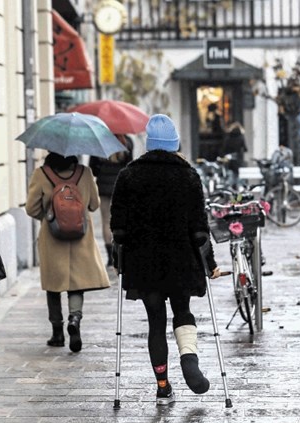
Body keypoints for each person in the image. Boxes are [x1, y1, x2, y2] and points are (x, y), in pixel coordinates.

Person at [110, 114, 222, 406]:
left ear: (149, 144)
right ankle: (189, 359)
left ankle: (162, 385)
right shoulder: (188, 176)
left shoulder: (129, 175)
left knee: (155, 321)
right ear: (174, 144)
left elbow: (118, 228)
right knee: (182, 311)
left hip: (144, 264)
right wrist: (210, 264)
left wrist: (119, 258)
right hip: (180, 261)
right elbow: (200, 230)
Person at [25, 152, 110, 352]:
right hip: (81, 235)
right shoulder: (85, 172)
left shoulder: (41, 174)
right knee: (76, 284)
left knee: (53, 285)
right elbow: (94, 204)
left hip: (52, 236)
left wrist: (49, 217)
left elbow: (31, 208)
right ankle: (75, 318)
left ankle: (57, 333)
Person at [89, 135, 133, 266]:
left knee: (106, 221)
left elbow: (93, 168)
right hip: (121, 186)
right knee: (120, 220)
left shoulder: (99, 141)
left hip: (103, 187)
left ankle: (110, 256)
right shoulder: (127, 142)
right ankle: (119, 252)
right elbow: (130, 166)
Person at [223, 122, 248, 188]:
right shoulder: (241, 137)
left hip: (229, 159)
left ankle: (230, 188)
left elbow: (224, 148)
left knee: (230, 174)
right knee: (237, 174)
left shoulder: (228, 137)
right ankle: (236, 189)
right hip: (238, 158)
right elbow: (245, 148)